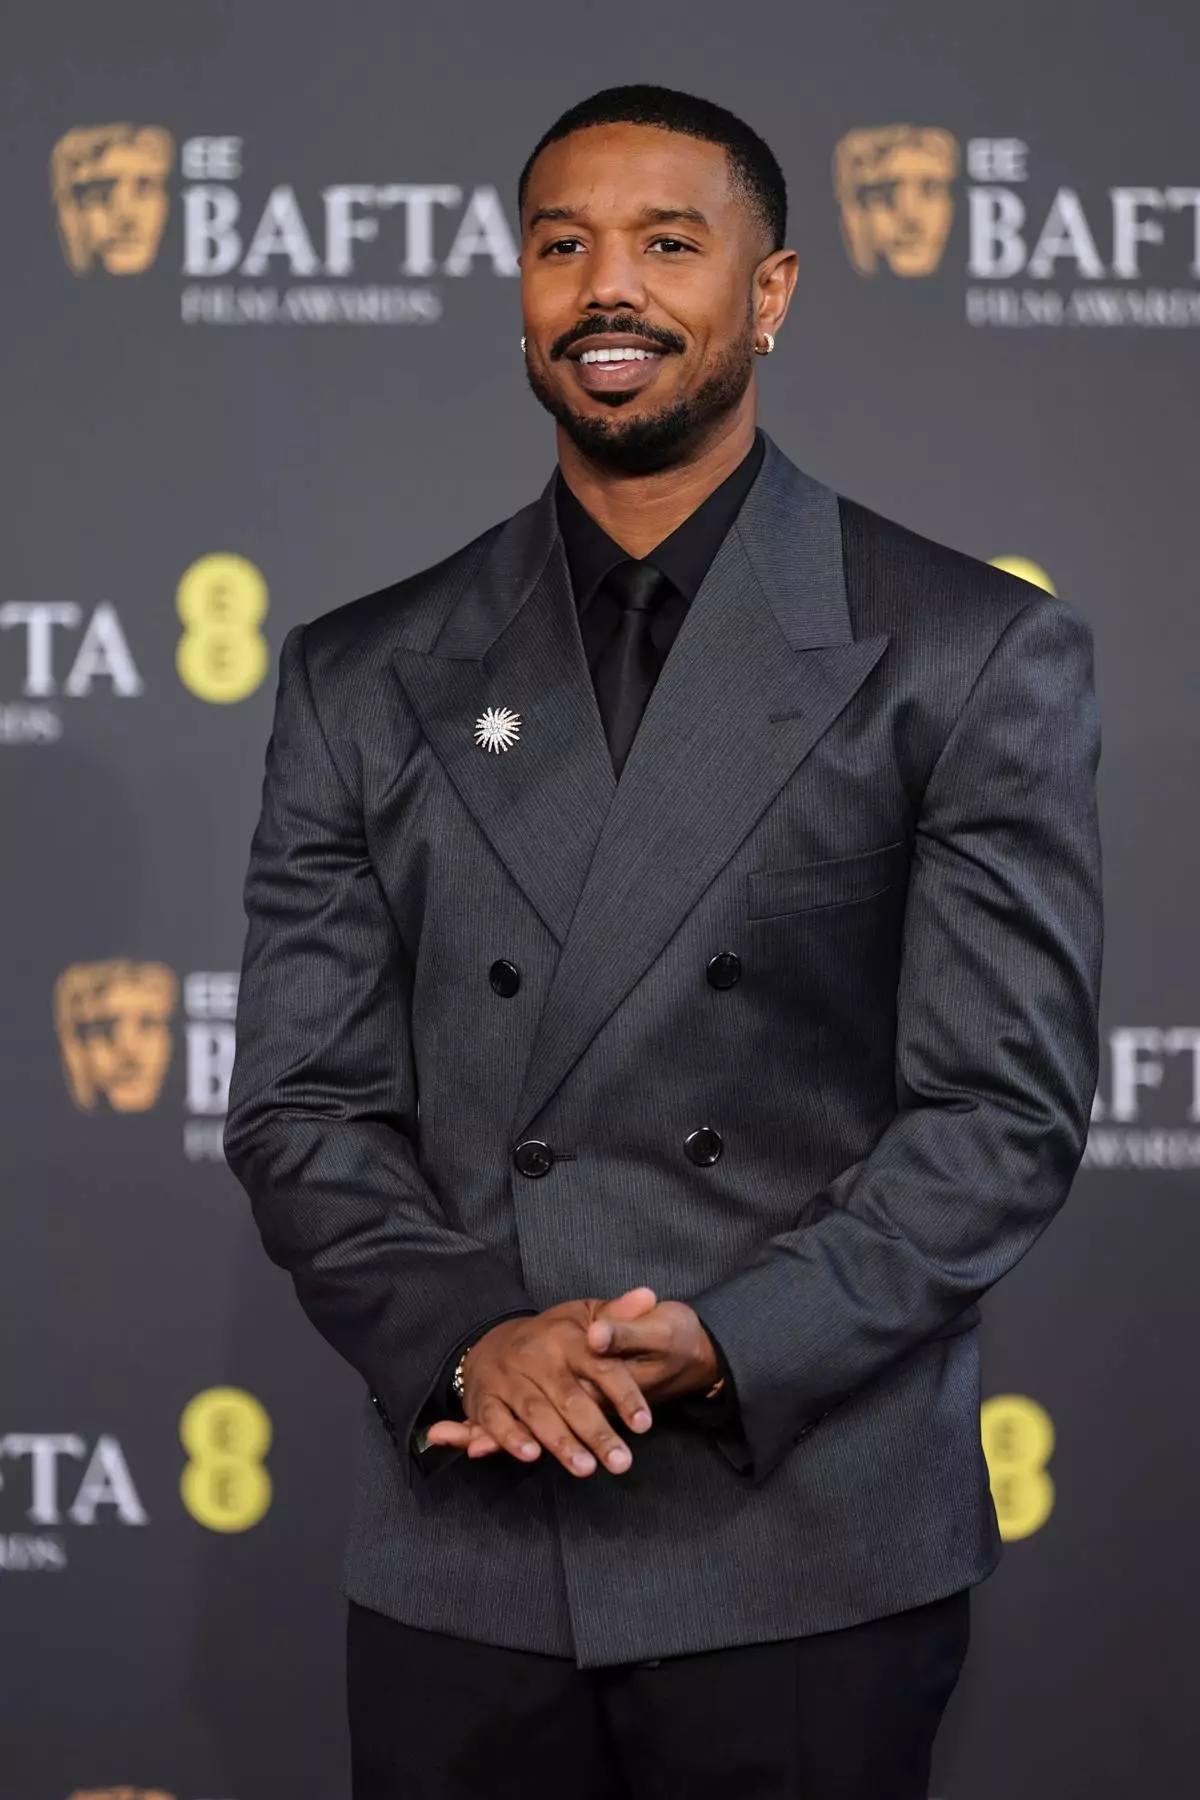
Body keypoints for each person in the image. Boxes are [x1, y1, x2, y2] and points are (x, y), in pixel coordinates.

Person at [224, 83, 1103, 1800]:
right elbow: (302, 1109)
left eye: (667, 243)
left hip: (802, 1539)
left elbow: (999, 1117)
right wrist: (479, 1339)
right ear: (524, 291)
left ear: (769, 295)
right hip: (466, 1532)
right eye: (564, 246)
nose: (606, 286)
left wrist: (730, 1338)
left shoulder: (967, 652)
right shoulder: (362, 671)